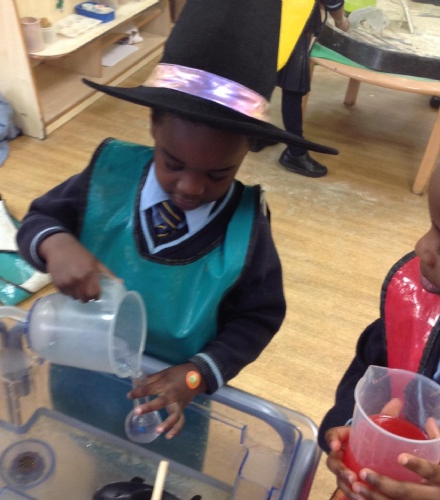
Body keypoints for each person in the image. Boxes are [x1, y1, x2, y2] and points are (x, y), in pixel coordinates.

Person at [17, 0, 337, 443]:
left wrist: (194, 376)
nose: (190, 187)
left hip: (174, 401)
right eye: (173, 163)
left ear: (247, 148)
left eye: (217, 174)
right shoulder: (107, 176)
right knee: (80, 444)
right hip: (81, 363)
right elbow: (38, 219)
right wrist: (55, 244)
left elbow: (258, 317)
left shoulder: (246, 228)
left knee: (161, 471)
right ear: (153, 125)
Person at [319, 164, 440, 499]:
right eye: (432, 227)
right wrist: (354, 427)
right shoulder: (416, 310)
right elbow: (368, 376)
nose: (421, 246)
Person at [251, 1, 349, 178]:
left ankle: (255, 134)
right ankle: (295, 153)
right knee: (293, 86)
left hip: (262, 17)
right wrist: (341, 21)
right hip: (293, 23)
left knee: (264, 75)